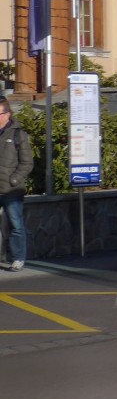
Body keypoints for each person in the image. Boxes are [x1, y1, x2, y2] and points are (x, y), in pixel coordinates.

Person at [0, 97, 33, 271]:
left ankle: (18, 258)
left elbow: (27, 163)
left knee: (16, 225)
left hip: (12, 190)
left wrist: (14, 179)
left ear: (7, 114)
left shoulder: (17, 134)